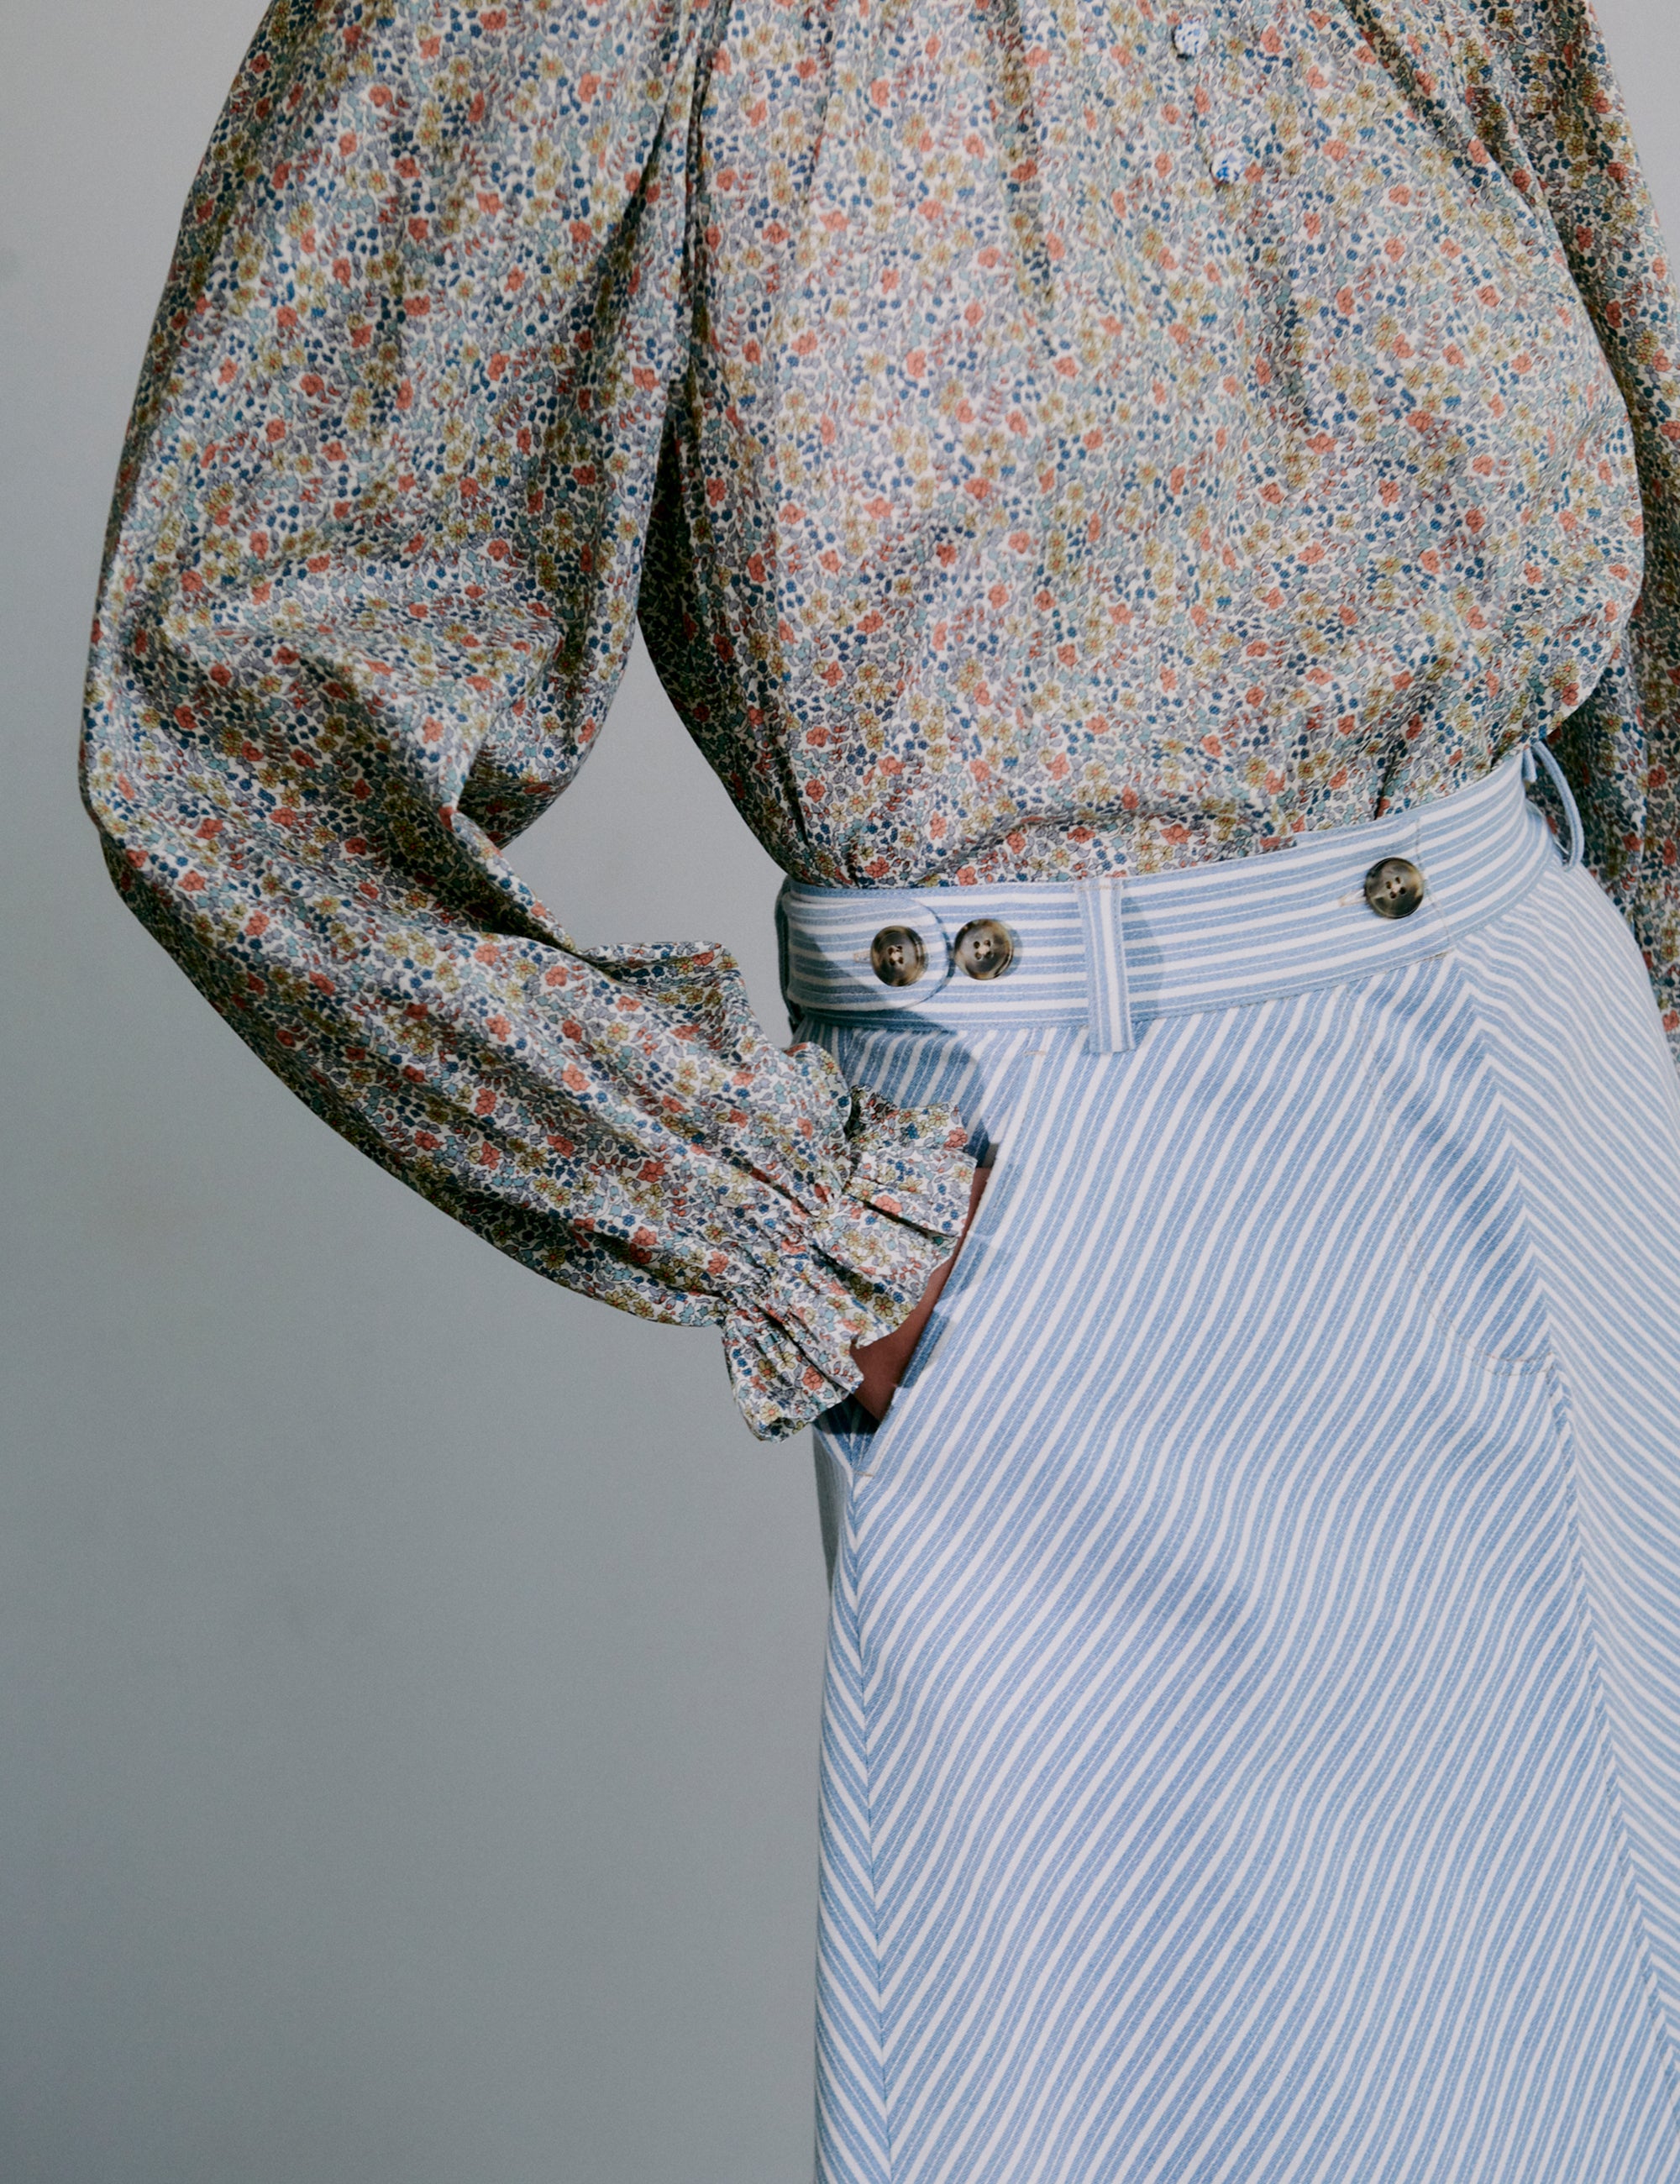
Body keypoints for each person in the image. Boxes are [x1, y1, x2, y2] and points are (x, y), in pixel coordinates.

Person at [81, 0, 1680, 2173]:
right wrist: (769, 1211)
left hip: (1574, 1092)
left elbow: (1607, 344)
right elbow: (236, 704)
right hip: (1092, 1222)